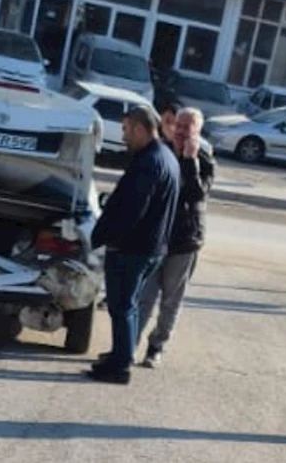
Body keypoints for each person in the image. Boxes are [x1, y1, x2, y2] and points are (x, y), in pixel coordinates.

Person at [88, 105, 180, 384]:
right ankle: (119, 354)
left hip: (133, 249)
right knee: (128, 305)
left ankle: (120, 366)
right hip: (150, 247)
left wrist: (110, 238)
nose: (124, 136)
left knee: (122, 306)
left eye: (126, 129)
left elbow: (133, 210)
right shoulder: (165, 156)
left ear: (140, 129)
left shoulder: (150, 162)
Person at [136, 107, 212, 368]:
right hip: (156, 237)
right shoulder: (161, 152)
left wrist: (190, 160)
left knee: (171, 300)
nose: (180, 131)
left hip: (184, 241)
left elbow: (196, 195)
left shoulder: (204, 161)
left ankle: (156, 347)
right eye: (178, 125)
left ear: (197, 131)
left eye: (187, 127)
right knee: (144, 296)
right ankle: (128, 346)